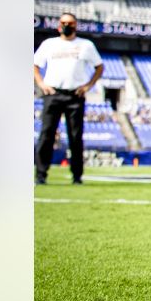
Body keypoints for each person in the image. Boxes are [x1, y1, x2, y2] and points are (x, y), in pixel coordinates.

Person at [33, 12, 103, 185]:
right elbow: (35, 65)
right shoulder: (49, 44)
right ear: (58, 26)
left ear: (75, 25)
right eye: (64, 22)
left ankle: (77, 176)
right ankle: (41, 175)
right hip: (53, 94)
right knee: (46, 135)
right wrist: (41, 84)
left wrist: (88, 86)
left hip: (75, 96)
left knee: (75, 137)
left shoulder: (85, 45)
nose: (67, 25)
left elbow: (99, 67)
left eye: (70, 23)